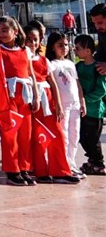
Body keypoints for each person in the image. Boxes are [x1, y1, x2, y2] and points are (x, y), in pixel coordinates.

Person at [23, 27, 76, 183]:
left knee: (58, 134)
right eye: (29, 39)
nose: (32, 43)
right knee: (38, 137)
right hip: (34, 100)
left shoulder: (44, 60)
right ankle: (41, 171)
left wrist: (58, 104)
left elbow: (52, 83)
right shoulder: (22, 59)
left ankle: (61, 171)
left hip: (49, 100)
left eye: (35, 39)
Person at [0, 17, 38, 186]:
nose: (2, 34)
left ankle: (24, 168)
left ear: (15, 31)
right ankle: (13, 171)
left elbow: (31, 73)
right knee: (9, 135)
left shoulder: (24, 50)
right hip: (8, 96)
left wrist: (35, 96)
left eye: (5, 30)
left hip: (24, 95)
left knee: (25, 135)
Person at [46, 33, 81, 177]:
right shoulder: (52, 64)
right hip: (63, 105)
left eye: (66, 45)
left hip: (75, 104)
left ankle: (72, 163)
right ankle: (64, 164)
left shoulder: (70, 63)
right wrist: (58, 105)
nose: (64, 48)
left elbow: (77, 83)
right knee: (64, 135)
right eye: (60, 45)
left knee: (75, 135)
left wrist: (82, 101)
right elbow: (53, 86)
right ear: (53, 47)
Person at [73, 35, 106, 175]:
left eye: (78, 48)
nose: (75, 51)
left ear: (88, 50)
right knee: (81, 137)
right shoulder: (78, 66)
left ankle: (99, 163)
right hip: (81, 110)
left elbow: (101, 90)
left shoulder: (99, 68)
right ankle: (92, 160)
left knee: (93, 139)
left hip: (94, 110)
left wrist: (84, 99)